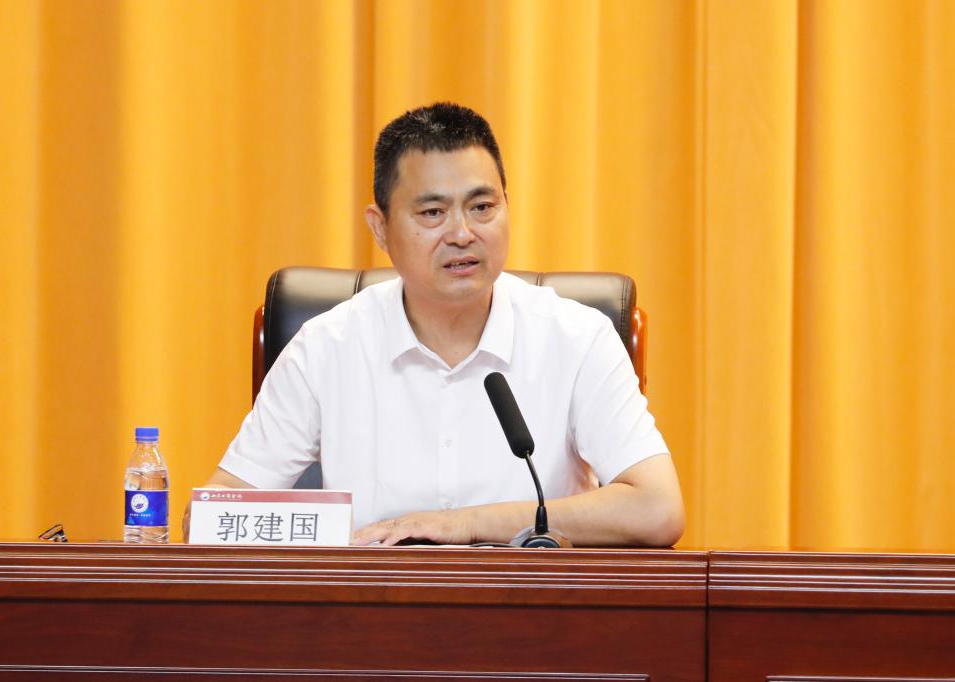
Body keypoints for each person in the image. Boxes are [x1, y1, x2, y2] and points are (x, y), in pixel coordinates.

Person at [189, 102, 684, 547]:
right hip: (372, 609)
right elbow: (213, 518)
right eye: (432, 212)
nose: (462, 234)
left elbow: (658, 509)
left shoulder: (576, 338)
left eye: (482, 207)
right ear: (380, 228)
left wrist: (465, 524)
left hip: (531, 609)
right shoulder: (326, 347)